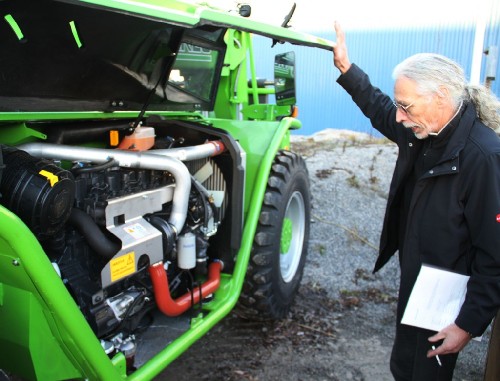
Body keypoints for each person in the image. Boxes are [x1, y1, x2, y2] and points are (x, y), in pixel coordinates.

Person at [331, 21, 500, 380]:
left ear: (441, 96)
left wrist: (467, 325)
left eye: (405, 106)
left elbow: (496, 254)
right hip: (415, 279)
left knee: (426, 373)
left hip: (446, 296)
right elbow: (379, 109)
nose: (398, 116)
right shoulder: (422, 131)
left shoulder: (482, 157)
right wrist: (347, 70)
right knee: (403, 365)